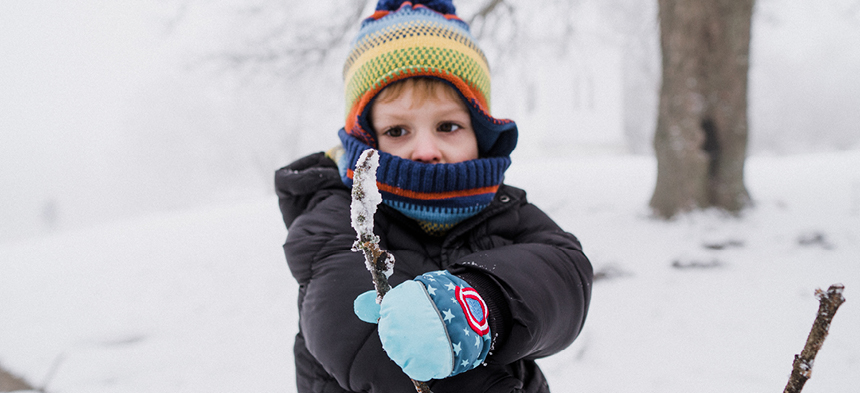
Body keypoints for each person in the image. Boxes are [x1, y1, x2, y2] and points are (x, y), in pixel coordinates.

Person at [275, 1, 593, 392]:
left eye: (448, 125)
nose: (426, 149)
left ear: (481, 133)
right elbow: (363, 342)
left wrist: (482, 302)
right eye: (397, 131)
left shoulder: (506, 209)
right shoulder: (337, 220)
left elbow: (564, 276)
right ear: (364, 139)